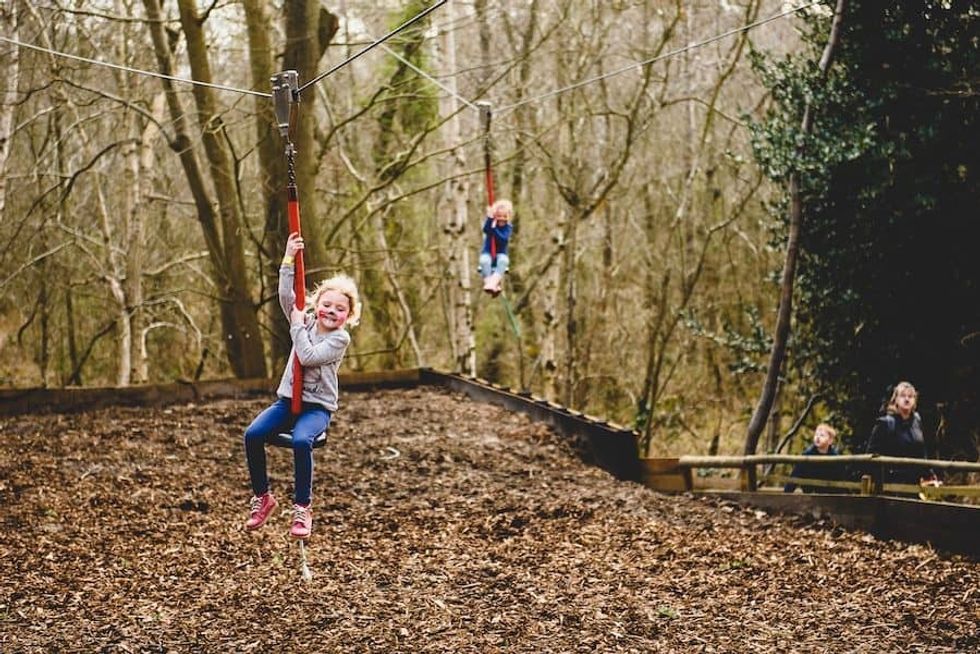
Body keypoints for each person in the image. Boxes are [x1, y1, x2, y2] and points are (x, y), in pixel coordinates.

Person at [243, 232, 360, 540]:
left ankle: (302, 507)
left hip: (317, 407)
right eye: (327, 304)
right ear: (316, 303)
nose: (331, 312)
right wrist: (288, 258)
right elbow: (286, 297)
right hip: (287, 401)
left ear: (348, 316)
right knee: (253, 435)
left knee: (300, 441)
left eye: (340, 309)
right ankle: (263, 497)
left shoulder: (339, 338)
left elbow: (308, 356)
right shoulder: (305, 320)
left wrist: (296, 324)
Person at [866, 381, 939, 489]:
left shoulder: (917, 421)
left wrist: (929, 474)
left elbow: (921, 453)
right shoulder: (885, 423)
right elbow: (871, 455)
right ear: (895, 399)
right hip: (890, 483)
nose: (907, 399)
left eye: (910, 396)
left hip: (913, 483)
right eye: (903, 395)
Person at [784, 423, 843, 493]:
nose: (818, 437)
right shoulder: (807, 455)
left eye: (822, 435)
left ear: (830, 440)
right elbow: (795, 475)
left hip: (829, 494)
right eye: (816, 435)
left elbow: (841, 478)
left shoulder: (835, 457)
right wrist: (787, 493)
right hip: (810, 493)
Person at [479, 199, 513, 296]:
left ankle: (494, 282)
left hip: (500, 253)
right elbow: (486, 229)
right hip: (488, 252)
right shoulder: (491, 223)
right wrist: (489, 218)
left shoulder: (508, 227)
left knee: (504, 261)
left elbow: (503, 239)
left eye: (504, 216)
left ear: (508, 217)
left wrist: (494, 229)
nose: (501, 219)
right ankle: (490, 283)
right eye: (499, 216)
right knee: (484, 261)